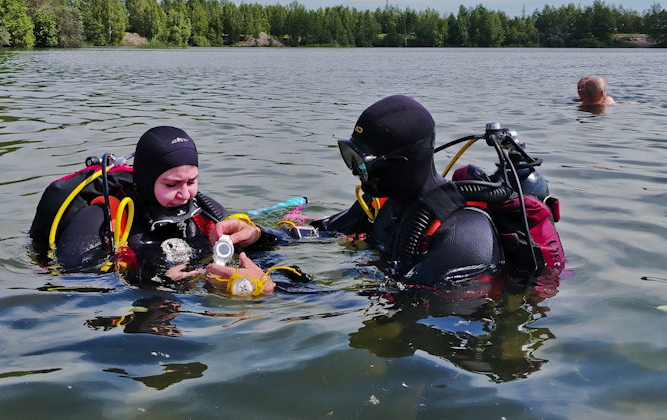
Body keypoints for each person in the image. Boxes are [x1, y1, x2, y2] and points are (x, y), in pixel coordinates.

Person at [32, 125, 276, 287]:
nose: (184, 194)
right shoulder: (102, 217)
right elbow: (73, 276)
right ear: (146, 181)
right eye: (171, 184)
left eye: (191, 181)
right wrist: (153, 280)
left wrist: (257, 236)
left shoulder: (206, 211)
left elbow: (264, 257)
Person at [311, 94, 503, 287]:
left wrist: (298, 289)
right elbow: (323, 231)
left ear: (402, 164)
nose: (355, 172)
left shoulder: (463, 236)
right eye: (351, 157)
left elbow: (413, 307)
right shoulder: (381, 202)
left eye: (363, 164)